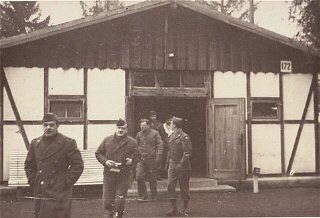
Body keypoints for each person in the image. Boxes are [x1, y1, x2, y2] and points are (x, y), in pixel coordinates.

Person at [24, 113, 84, 218]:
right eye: (45, 125)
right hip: (41, 190)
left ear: (57, 126)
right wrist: (33, 181)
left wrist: (65, 182)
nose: (48, 128)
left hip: (59, 192)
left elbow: (78, 165)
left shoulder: (67, 143)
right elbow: (29, 165)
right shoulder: (35, 143)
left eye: (51, 125)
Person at [95, 119, 141, 218]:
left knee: (120, 199)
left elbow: (138, 156)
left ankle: (118, 215)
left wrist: (131, 160)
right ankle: (108, 214)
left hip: (123, 175)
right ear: (116, 128)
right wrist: (106, 161)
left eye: (123, 128)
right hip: (109, 174)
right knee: (107, 199)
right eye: (119, 128)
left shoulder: (132, 142)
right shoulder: (107, 140)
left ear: (126, 130)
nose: (120, 130)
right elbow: (98, 153)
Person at [166, 116, 192, 217]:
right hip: (172, 164)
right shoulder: (171, 135)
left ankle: (185, 207)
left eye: (171, 123)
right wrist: (167, 163)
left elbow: (187, 153)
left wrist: (180, 165)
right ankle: (173, 208)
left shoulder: (184, 137)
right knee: (170, 185)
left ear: (175, 125)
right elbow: (170, 151)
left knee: (184, 187)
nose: (170, 125)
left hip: (183, 165)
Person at [135, 119, 163, 202]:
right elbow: (135, 146)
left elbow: (160, 145)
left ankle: (154, 195)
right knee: (139, 176)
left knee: (152, 177)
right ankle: (143, 195)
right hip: (141, 159)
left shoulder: (155, 133)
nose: (141, 127)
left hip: (152, 159)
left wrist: (158, 156)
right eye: (141, 125)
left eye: (143, 125)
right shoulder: (139, 134)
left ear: (148, 125)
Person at [148, 110, 168, 179]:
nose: (153, 117)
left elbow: (163, 135)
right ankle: (150, 175)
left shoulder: (160, 125)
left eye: (154, 116)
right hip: (149, 144)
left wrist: (166, 143)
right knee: (150, 159)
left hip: (158, 144)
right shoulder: (147, 124)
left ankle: (158, 174)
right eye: (152, 116)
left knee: (159, 159)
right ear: (149, 117)